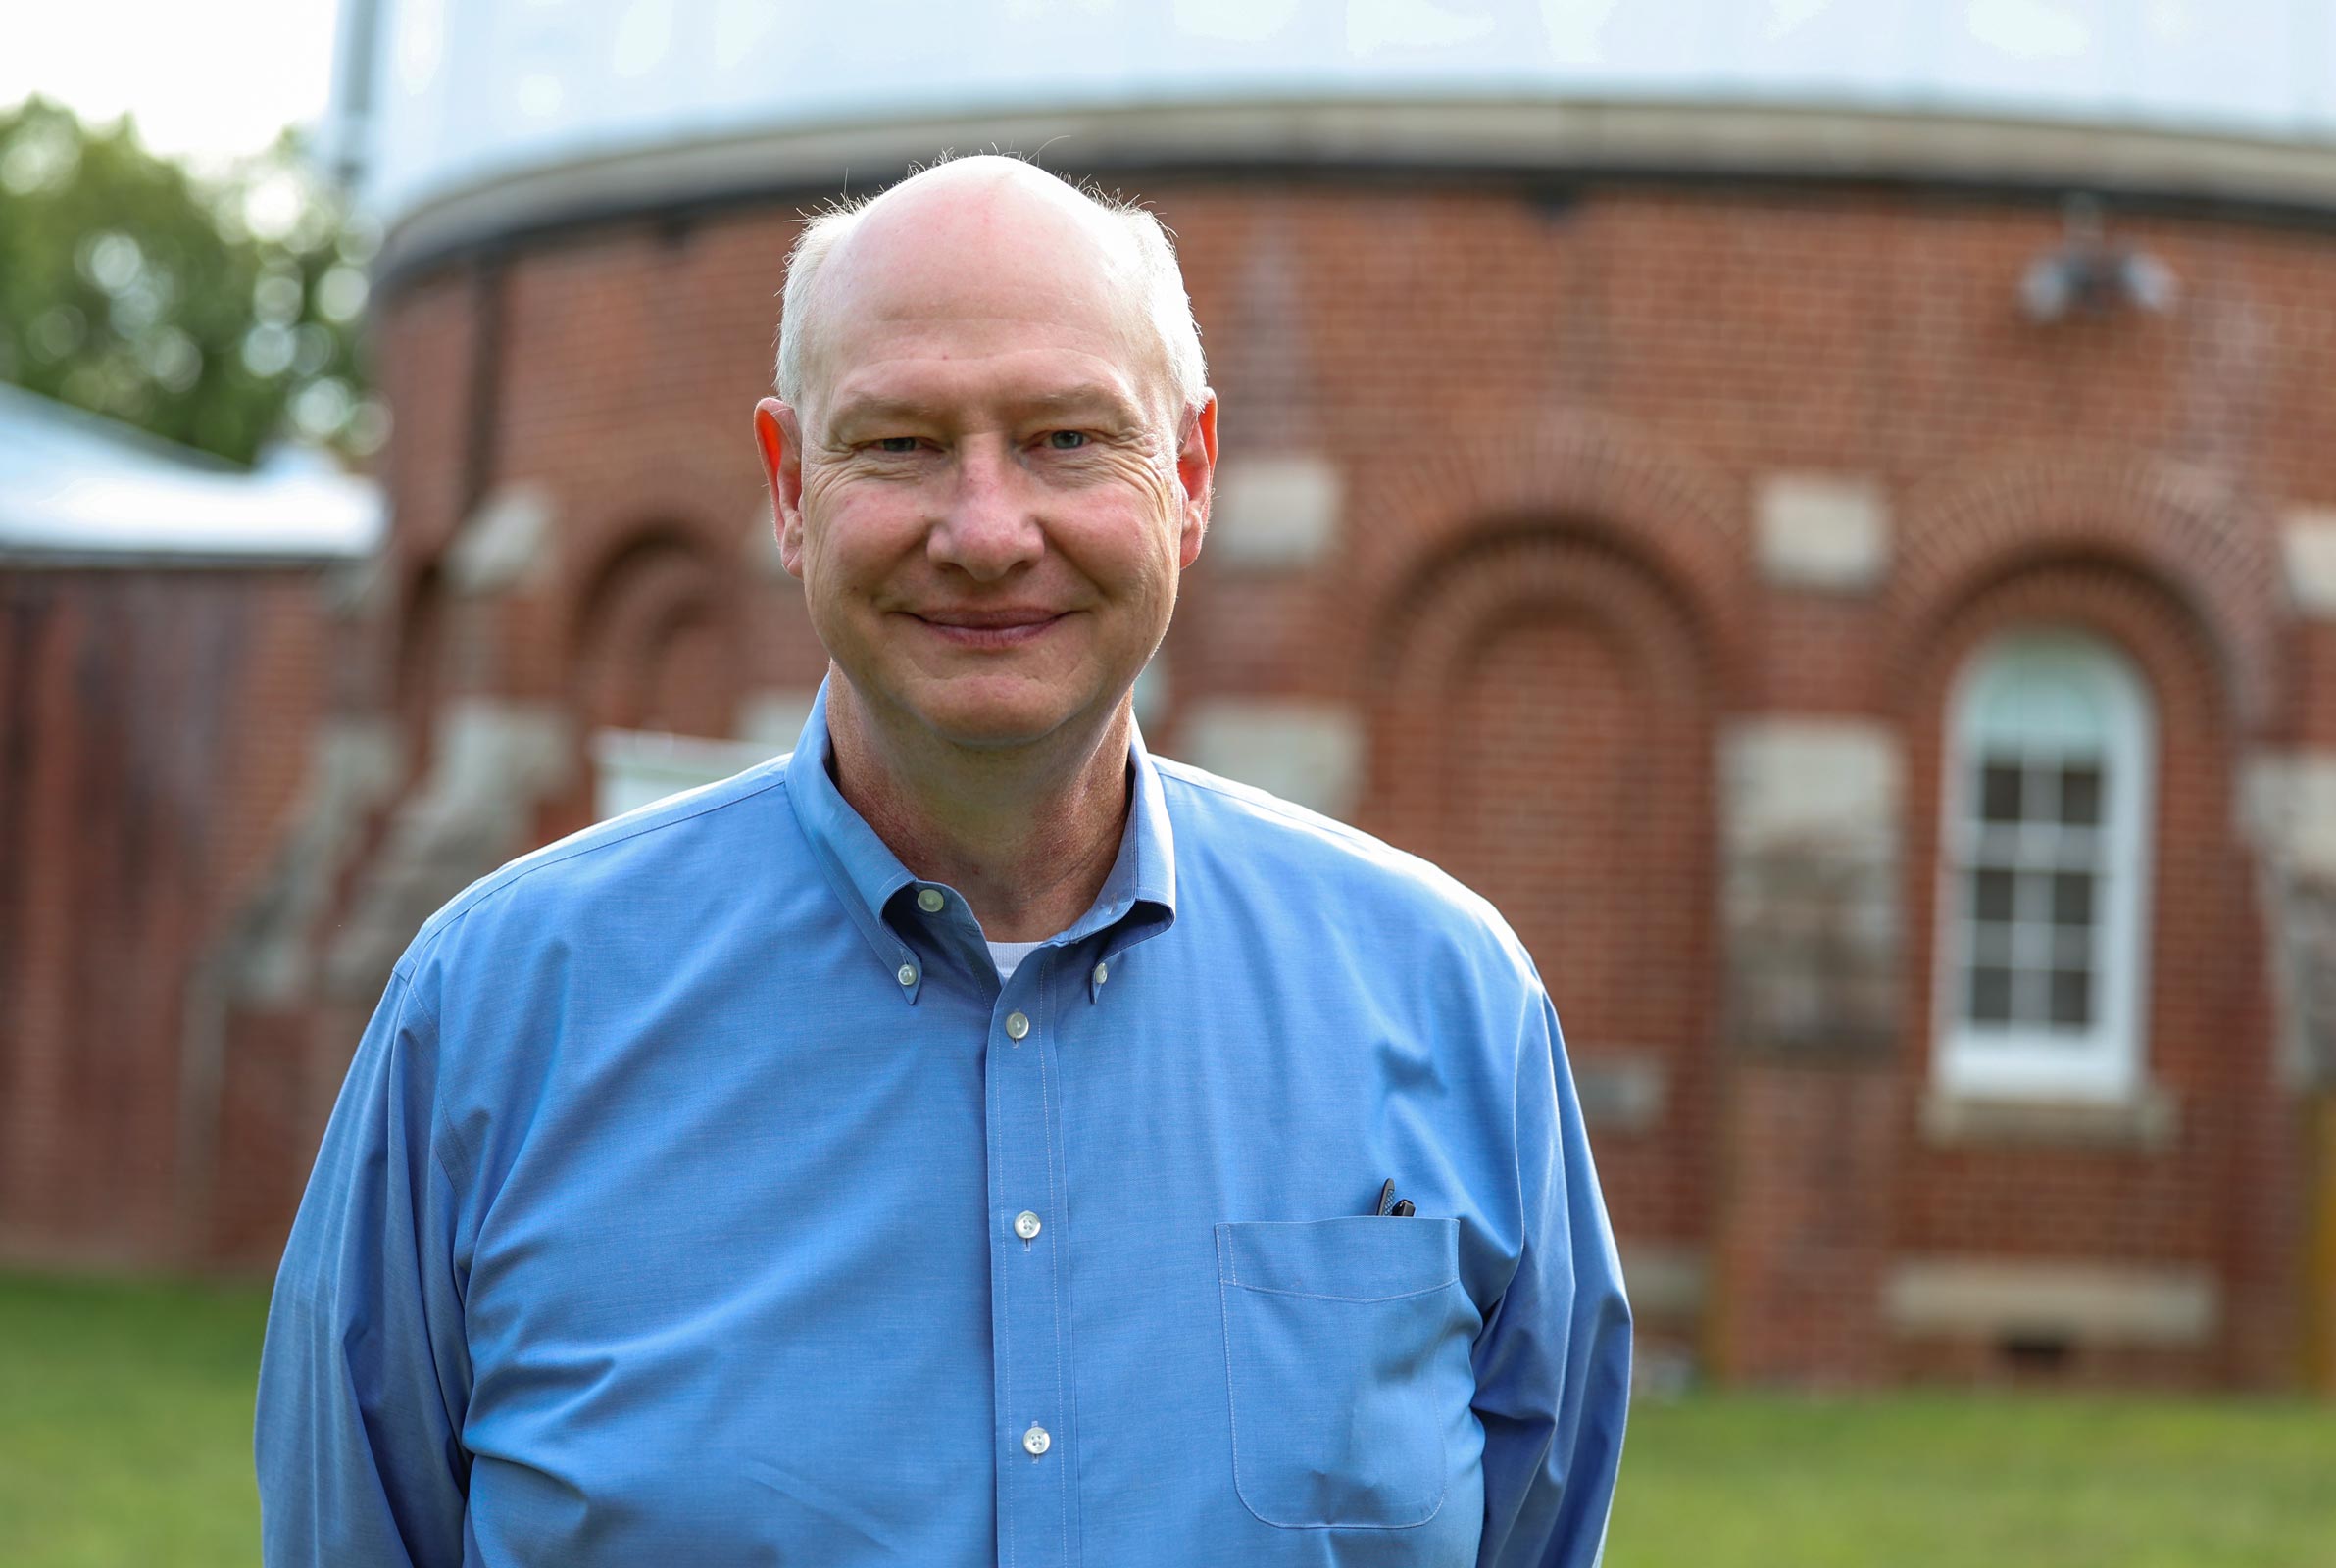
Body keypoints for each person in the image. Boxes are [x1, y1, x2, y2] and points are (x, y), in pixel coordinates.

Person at [256, 153, 1631, 1567]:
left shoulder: (1451, 1004)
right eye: (901, 443)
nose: (985, 533)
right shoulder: (492, 1018)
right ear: (790, 489)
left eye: (1069, 439)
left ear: (1193, 476)